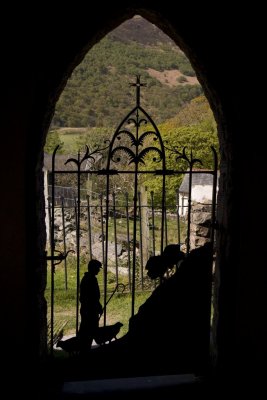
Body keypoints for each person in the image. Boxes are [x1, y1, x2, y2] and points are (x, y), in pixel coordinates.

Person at [78, 259, 103, 352]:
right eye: (97, 268)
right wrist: (98, 306)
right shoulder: (90, 279)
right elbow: (91, 297)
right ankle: (84, 350)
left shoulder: (88, 278)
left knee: (87, 329)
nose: (99, 270)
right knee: (88, 330)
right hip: (90, 309)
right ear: (93, 268)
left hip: (89, 308)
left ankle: (84, 349)